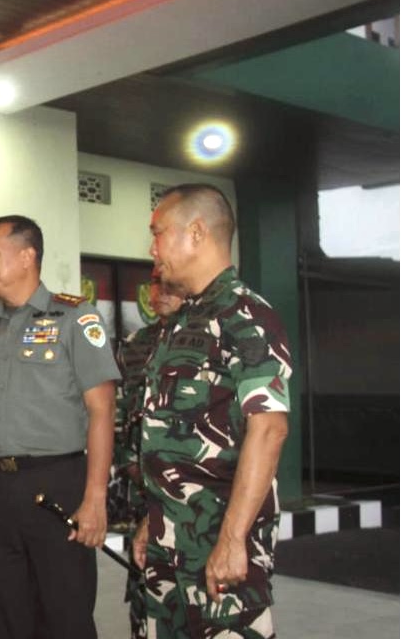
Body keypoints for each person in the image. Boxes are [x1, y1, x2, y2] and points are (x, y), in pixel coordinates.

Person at [0, 215, 119, 639]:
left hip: (57, 485)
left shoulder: (75, 318)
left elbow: (102, 410)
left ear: (26, 256)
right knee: (5, 616)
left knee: (65, 616)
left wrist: (95, 498)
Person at [135, 184, 292, 638]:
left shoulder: (246, 315)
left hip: (217, 541)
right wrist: (153, 517)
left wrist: (232, 538)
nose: (152, 249)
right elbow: (170, 434)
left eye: (158, 233)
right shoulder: (181, 322)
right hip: (168, 542)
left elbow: (269, 429)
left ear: (197, 233)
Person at [111, 270, 183, 639]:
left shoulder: (199, 340)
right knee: (144, 583)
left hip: (189, 491)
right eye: (156, 284)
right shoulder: (135, 345)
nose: (161, 292)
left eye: (170, 285)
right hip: (143, 488)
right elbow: (119, 416)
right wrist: (129, 467)